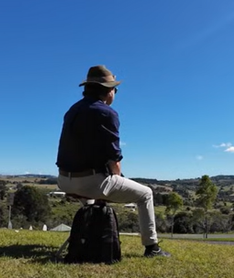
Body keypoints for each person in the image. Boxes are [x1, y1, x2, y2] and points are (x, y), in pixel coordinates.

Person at [55, 65, 170, 258]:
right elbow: (114, 158)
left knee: (95, 196)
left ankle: (88, 239)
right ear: (109, 90)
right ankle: (152, 248)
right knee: (146, 194)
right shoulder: (107, 113)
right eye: (115, 89)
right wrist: (117, 178)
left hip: (64, 180)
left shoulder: (72, 110)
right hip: (91, 182)